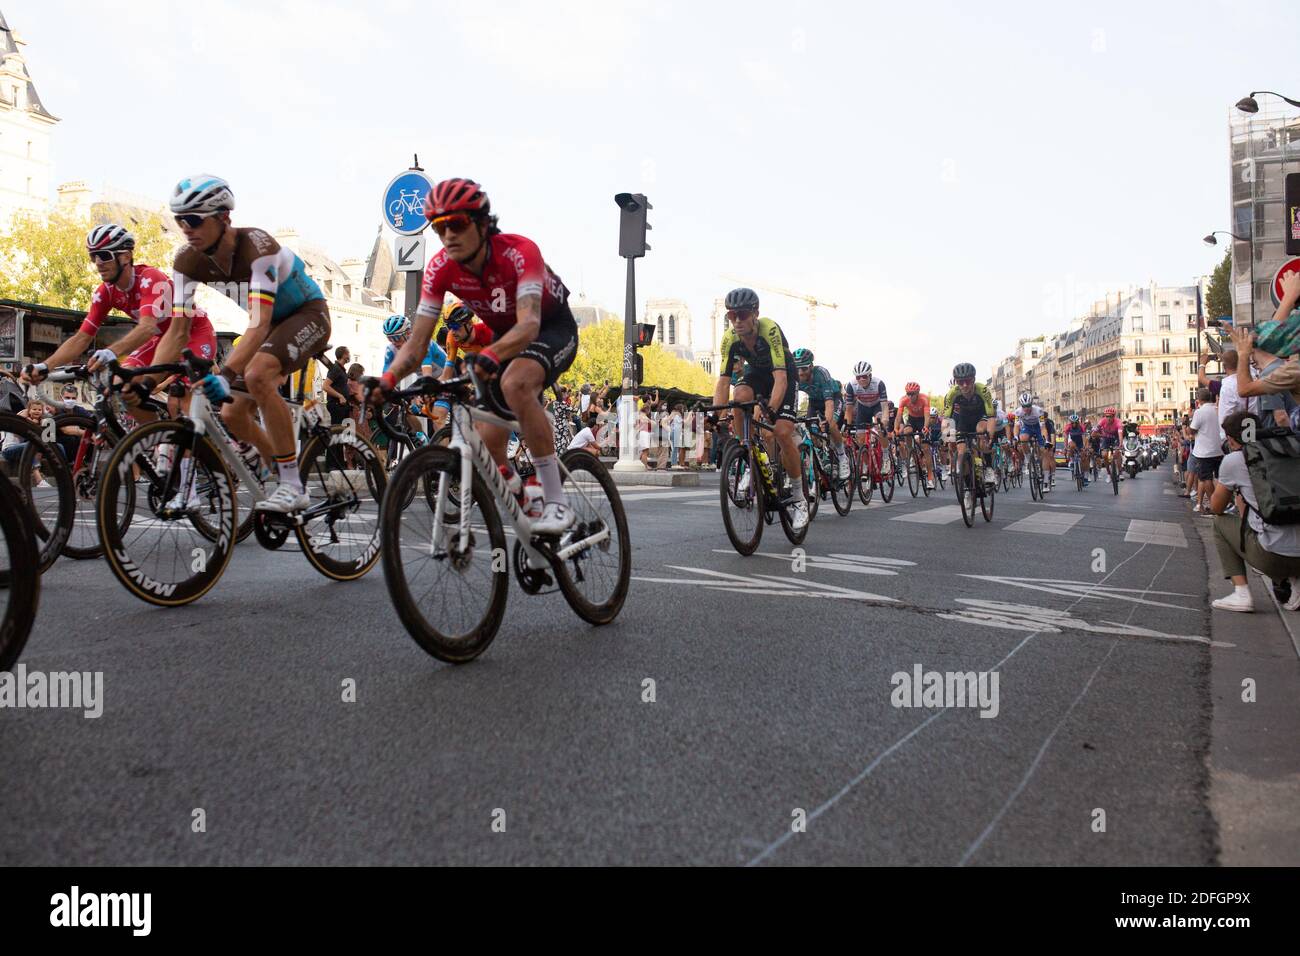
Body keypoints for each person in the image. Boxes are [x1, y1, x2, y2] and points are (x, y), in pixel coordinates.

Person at [380, 177, 580, 534]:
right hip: (505, 338)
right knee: (489, 443)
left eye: (457, 224)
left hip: (549, 327)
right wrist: (386, 380)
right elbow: (417, 344)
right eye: (439, 228)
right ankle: (524, 500)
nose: (448, 236)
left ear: (483, 224)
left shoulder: (519, 252)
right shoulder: (440, 268)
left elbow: (529, 324)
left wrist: (489, 356)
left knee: (516, 382)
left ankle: (555, 501)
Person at [160, 175, 331, 513]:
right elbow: (177, 332)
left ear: (224, 218)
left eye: (194, 219)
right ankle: (279, 480)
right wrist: (144, 378)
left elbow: (259, 322)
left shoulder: (258, 248)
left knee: (258, 374)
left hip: (307, 315)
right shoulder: (186, 262)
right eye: (180, 220)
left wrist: (225, 374)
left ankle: (293, 486)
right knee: (233, 412)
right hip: (268, 328)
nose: (186, 228)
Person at [22, 224, 217, 426]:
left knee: (181, 402)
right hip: (161, 339)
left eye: (104, 255)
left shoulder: (150, 279)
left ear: (125, 256)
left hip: (194, 334)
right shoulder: (105, 292)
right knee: (123, 386)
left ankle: (197, 448)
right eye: (93, 256)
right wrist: (45, 366)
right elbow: (82, 337)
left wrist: (111, 352)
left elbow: (147, 327)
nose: (98, 262)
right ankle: (155, 440)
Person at [710, 288, 808, 531]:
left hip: (782, 374)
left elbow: (781, 379)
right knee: (739, 395)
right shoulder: (729, 339)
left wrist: (771, 410)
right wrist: (716, 415)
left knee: (782, 432)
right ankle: (747, 452)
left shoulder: (769, 329)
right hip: (757, 374)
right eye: (732, 316)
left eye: (742, 314)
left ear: (755, 314)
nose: (737, 321)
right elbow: (723, 381)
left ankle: (799, 498)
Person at [1209, 411, 1300, 612]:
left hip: (1272, 556)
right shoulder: (1291, 451)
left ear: (1231, 440)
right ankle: (1296, 584)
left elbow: (1216, 508)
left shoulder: (1235, 460)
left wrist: (1224, 483)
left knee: (1219, 523)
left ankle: (1241, 593)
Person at [893, 380, 934, 490]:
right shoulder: (903, 400)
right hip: (912, 420)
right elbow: (898, 417)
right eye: (908, 394)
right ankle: (911, 452)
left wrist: (925, 427)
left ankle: (930, 478)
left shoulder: (924, 398)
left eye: (913, 394)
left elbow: (927, 416)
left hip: (922, 420)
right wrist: (895, 429)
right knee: (906, 432)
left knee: (925, 448)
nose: (910, 396)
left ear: (918, 393)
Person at [1188, 387, 1223, 515]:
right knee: (1218, 478)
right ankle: (1219, 503)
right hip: (1218, 449)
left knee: (1206, 478)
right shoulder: (1217, 409)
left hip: (1204, 451)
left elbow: (1192, 430)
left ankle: (1215, 504)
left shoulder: (1199, 412)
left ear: (1199, 400)